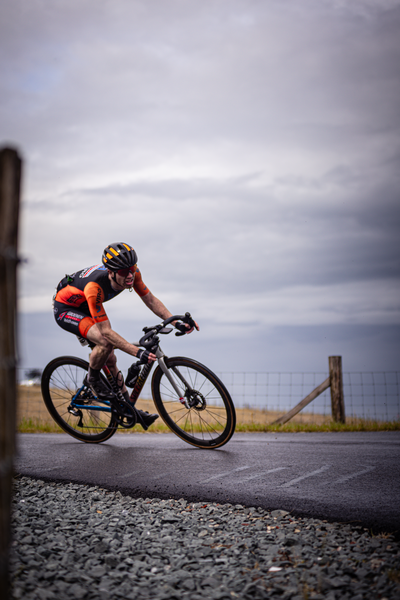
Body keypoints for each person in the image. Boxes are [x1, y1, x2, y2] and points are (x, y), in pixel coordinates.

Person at [53, 242, 199, 429]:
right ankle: (93, 379)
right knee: (105, 342)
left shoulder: (133, 274)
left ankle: (127, 408)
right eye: (123, 272)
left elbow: (151, 300)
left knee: (110, 358)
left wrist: (175, 321)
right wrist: (137, 353)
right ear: (111, 272)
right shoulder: (94, 287)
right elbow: (106, 331)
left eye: (132, 268)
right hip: (67, 308)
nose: (130, 275)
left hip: (87, 304)